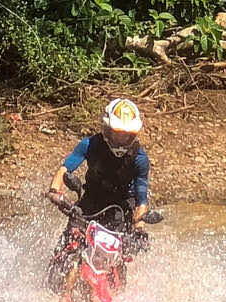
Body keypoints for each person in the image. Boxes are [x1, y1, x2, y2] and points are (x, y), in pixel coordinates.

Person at [47, 99, 151, 277]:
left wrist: (139, 227)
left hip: (121, 209)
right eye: (118, 133)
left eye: (127, 135)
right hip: (90, 202)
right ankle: (52, 287)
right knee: (66, 248)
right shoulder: (90, 145)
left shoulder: (140, 159)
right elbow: (66, 168)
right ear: (107, 129)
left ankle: (116, 294)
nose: (122, 139)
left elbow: (142, 198)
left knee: (118, 258)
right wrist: (55, 190)